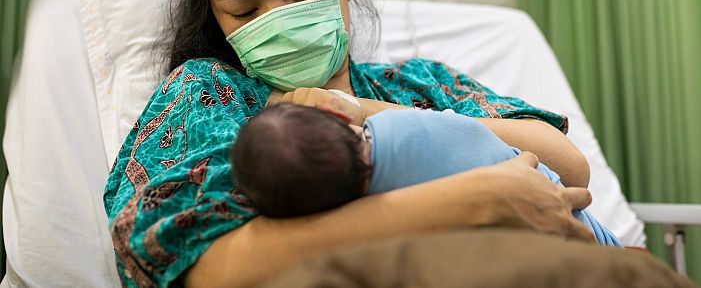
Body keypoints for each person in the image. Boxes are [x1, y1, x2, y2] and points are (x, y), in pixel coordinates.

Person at [103, 0, 596, 288]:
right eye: (245, 11)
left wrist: (361, 110)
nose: (278, 20)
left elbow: (568, 166)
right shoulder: (210, 96)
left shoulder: (418, 83)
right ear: (216, 23)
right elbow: (196, 265)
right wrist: (468, 202)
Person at [230, 103, 620, 246]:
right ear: (336, 115)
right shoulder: (405, 125)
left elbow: (573, 168)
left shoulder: (364, 219)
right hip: (589, 241)